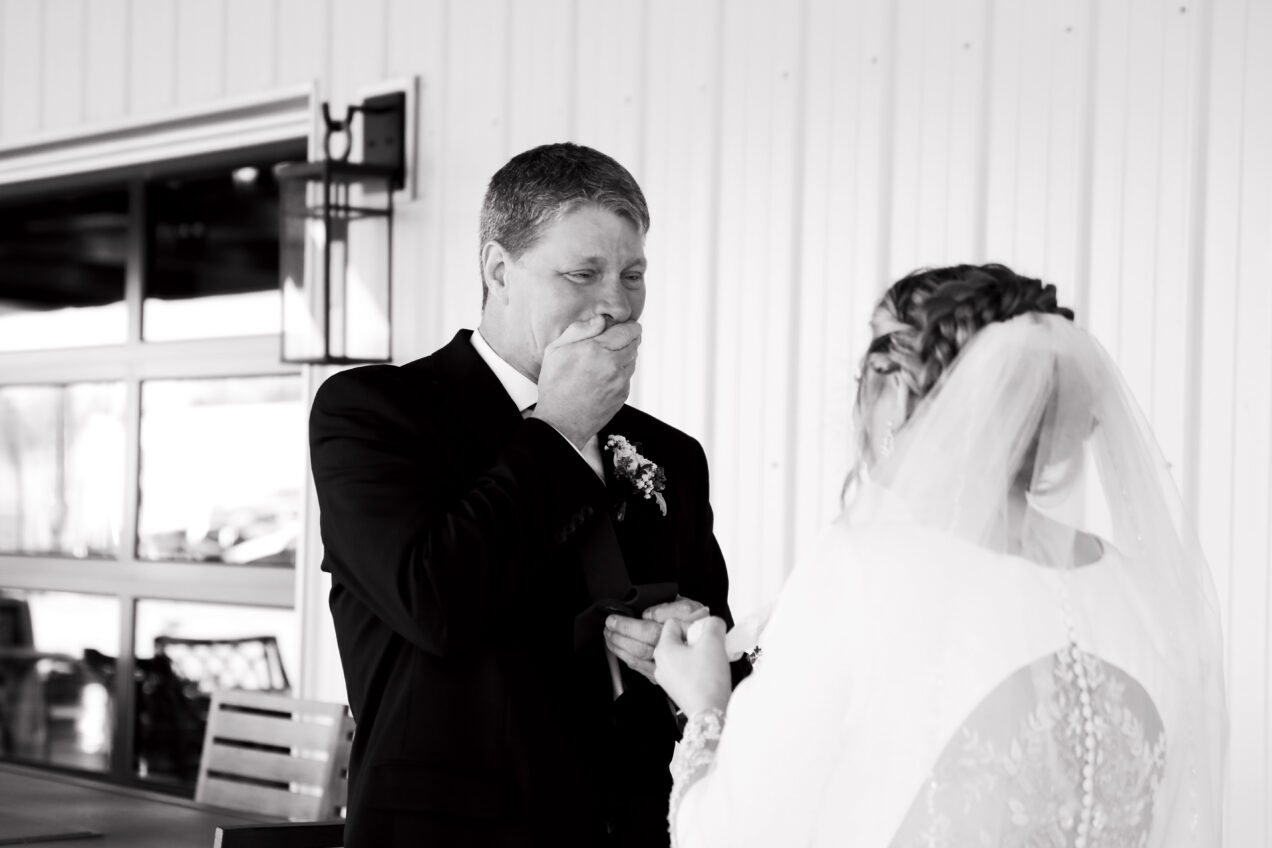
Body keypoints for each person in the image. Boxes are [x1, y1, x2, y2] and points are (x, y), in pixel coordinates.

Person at [654, 264, 1227, 847]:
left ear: (898, 392)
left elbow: (728, 836)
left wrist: (707, 706)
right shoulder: (1148, 599)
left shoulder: (864, 572)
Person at [309, 142, 744, 847]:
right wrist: (561, 425)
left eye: (633, 274)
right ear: (498, 269)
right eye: (583, 273)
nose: (616, 303)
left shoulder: (671, 455)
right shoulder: (374, 413)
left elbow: (711, 649)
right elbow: (434, 603)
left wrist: (691, 637)